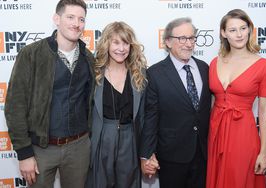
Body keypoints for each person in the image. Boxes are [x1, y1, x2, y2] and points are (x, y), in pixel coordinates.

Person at [4, 0, 95, 187]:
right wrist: (24, 153)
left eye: (81, 19)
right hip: (41, 149)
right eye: (70, 17)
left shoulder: (89, 58)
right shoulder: (31, 54)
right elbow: (15, 106)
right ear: (56, 19)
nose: (76, 24)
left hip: (79, 147)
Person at [206, 9, 266, 188]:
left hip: (243, 135)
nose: (239, 34)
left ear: (250, 30)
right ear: (223, 33)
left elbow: (264, 111)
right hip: (215, 134)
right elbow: (212, 102)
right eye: (232, 30)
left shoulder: (265, 66)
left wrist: (263, 153)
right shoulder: (214, 62)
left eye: (243, 28)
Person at [140, 17, 211, 188]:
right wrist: (146, 154)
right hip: (171, 155)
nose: (188, 43)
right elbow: (151, 117)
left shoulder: (204, 68)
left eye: (192, 38)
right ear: (168, 42)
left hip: (202, 153)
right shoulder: (155, 74)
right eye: (182, 38)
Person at [85, 21, 147, 188]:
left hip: (130, 139)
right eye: (116, 42)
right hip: (101, 137)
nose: (121, 48)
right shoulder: (94, 72)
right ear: (107, 43)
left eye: (125, 43)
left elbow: (144, 116)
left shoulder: (139, 73)